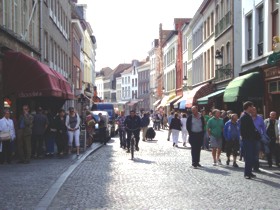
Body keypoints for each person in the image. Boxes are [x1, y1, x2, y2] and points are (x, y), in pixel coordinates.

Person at [240, 101, 259, 179]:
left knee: (251, 156)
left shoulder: (248, 115)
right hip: (247, 140)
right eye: (252, 106)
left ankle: (249, 172)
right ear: (248, 107)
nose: (253, 108)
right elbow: (243, 130)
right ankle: (247, 173)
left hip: (251, 139)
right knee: (248, 157)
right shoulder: (244, 116)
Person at [251, 107, 266, 171]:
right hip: (249, 137)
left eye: (255, 110)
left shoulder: (260, 118)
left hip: (257, 137)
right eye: (253, 110)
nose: (254, 111)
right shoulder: (247, 117)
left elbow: (263, 127)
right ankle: (250, 165)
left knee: (257, 152)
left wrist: (264, 135)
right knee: (250, 152)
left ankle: (256, 167)